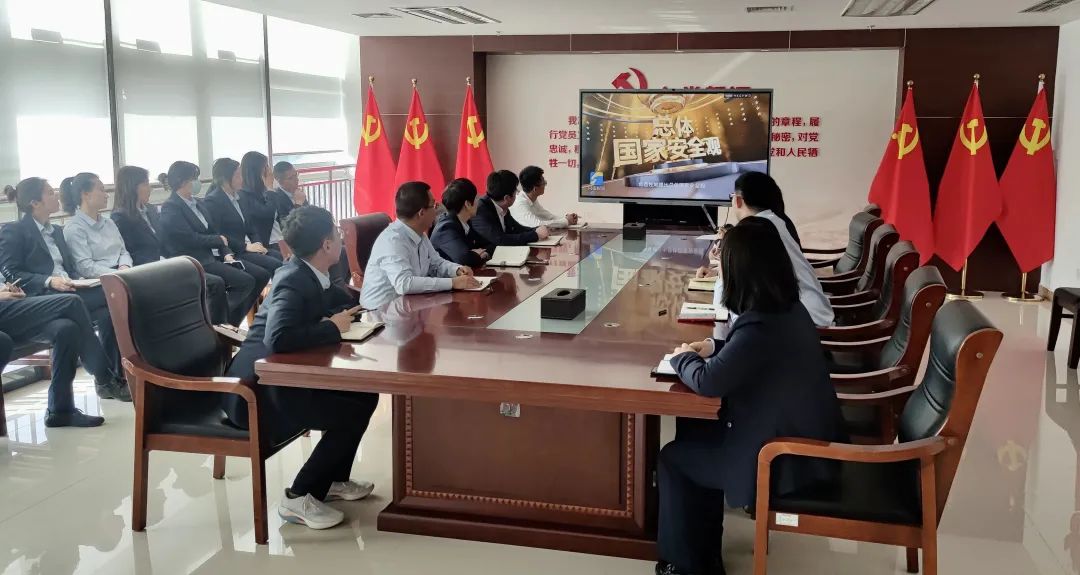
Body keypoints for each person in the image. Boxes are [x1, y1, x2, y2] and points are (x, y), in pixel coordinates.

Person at [657, 220, 845, 575]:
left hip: (782, 461)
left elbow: (709, 381)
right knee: (696, 430)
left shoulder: (760, 325)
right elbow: (748, 355)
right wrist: (713, 346)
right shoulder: (786, 309)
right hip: (798, 443)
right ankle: (703, 555)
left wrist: (683, 358)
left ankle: (684, 567)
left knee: (674, 459)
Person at [224, 206, 377, 530]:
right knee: (350, 413)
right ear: (326, 244)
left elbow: (337, 301)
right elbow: (278, 337)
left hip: (282, 378)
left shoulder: (311, 271)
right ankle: (298, 495)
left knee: (365, 395)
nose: (341, 237)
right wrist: (331, 327)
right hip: (255, 391)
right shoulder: (292, 279)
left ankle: (332, 479)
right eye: (336, 233)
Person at [0, 177, 129, 402]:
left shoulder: (57, 231)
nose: (57, 196)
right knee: (114, 292)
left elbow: (69, 268)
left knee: (87, 320)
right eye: (50, 193)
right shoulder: (16, 230)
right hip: (41, 296)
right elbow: (10, 271)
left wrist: (76, 281)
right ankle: (106, 378)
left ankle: (62, 408)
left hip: (69, 289)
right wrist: (48, 281)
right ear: (35, 203)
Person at [704, 172, 833, 327]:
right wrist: (722, 269)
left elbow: (722, 311)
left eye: (731, 197)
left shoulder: (755, 230)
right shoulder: (776, 221)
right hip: (810, 313)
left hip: (803, 322)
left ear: (738, 200)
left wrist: (723, 275)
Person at [111, 166, 230, 325]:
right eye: (145, 184)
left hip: (168, 263)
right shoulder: (120, 217)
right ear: (132, 187)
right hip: (147, 270)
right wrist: (163, 262)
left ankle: (215, 330)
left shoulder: (151, 210)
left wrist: (175, 259)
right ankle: (209, 329)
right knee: (212, 284)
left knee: (214, 283)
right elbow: (129, 252)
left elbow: (164, 241)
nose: (150, 188)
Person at [157, 161, 268, 326]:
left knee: (249, 279)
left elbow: (215, 232)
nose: (197, 182)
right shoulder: (171, 207)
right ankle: (217, 324)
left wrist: (227, 253)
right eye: (194, 178)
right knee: (237, 282)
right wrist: (217, 240)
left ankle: (227, 323)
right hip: (191, 261)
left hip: (211, 258)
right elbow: (188, 238)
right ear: (183, 181)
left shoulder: (198, 203)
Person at [0, 281, 118, 426]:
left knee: (67, 329)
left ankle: (59, 411)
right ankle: (105, 377)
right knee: (72, 302)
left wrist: (8, 290)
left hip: (10, 308)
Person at [359, 181, 480, 309]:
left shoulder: (419, 234)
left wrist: (456, 269)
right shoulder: (393, 241)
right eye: (434, 205)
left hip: (407, 306)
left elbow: (436, 263)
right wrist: (452, 283)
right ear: (421, 213)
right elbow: (404, 284)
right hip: (378, 313)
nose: (437, 210)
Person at [203, 157, 282, 277]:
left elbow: (250, 227)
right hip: (232, 250)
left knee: (277, 257)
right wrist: (246, 246)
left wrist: (258, 244)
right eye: (238, 175)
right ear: (225, 179)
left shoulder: (239, 197)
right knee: (268, 269)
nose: (242, 179)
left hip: (246, 247)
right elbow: (218, 234)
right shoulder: (213, 201)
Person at [59, 172, 133, 278]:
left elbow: (123, 252)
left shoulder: (109, 223)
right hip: (99, 279)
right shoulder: (74, 229)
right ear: (85, 194)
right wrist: (117, 275)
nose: (106, 195)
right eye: (101, 190)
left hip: (122, 273)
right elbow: (85, 267)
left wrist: (125, 266)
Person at [471, 170, 550, 246]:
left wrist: (537, 229)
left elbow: (517, 229)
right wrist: (535, 235)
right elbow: (501, 240)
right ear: (507, 198)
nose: (517, 194)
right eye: (516, 192)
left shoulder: (502, 206)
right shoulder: (481, 211)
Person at [430, 178, 495, 268]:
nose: (478, 202)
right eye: (476, 198)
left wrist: (482, 253)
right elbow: (465, 259)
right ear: (467, 204)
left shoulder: (466, 222)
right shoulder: (445, 228)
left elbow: (490, 244)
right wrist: (477, 255)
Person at [510, 165, 579, 229]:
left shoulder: (531, 198)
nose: (545, 185)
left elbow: (548, 216)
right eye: (544, 183)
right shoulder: (520, 203)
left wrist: (567, 218)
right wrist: (566, 221)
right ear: (535, 189)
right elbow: (537, 224)